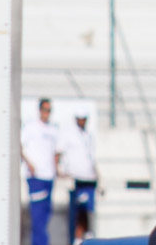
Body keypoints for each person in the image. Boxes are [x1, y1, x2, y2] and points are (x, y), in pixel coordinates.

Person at [58, 102, 98, 245]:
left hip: (89, 178)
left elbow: (91, 158)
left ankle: (86, 236)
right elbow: (59, 153)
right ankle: (77, 238)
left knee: (88, 210)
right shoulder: (68, 134)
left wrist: (97, 175)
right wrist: (61, 172)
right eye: (80, 119)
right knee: (78, 210)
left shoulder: (88, 135)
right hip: (76, 178)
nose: (82, 122)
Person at [22, 98, 59, 245]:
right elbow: (19, 145)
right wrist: (29, 164)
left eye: (49, 110)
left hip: (49, 177)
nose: (46, 113)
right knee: (37, 218)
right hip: (36, 177)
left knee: (46, 216)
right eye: (44, 110)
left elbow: (55, 152)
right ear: (39, 110)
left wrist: (57, 169)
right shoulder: (31, 127)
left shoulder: (52, 130)